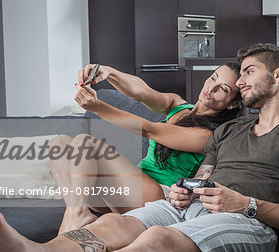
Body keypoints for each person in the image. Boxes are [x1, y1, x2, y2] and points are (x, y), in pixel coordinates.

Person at [0, 43, 279, 252]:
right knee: (113, 225)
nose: (239, 80)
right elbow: (202, 176)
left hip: (250, 222)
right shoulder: (231, 130)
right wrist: (188, 189)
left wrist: (246, 203)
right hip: (186, 206)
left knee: (155, 241)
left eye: (247, 72)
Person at [51, 62, 245, 234]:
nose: (211, 88)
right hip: (126, 192)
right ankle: (78, 212)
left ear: (232, 104)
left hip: (158, 197)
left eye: (223, 89)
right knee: (59, 143)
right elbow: (140, 91)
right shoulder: (178, 106)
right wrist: (108, 72)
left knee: (87, 144)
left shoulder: (209, 135)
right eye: (213, 78)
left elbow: (148, 130)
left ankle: (75, 214)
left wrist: (97, 107)